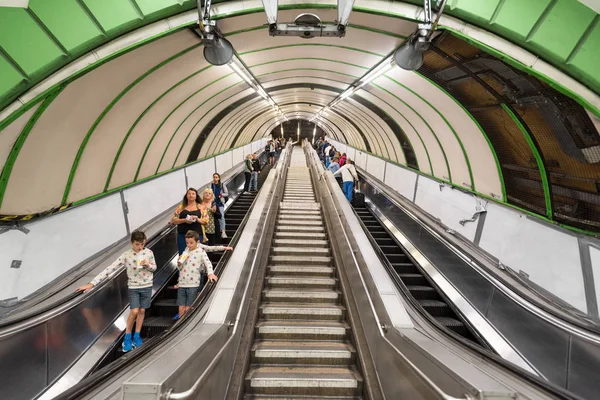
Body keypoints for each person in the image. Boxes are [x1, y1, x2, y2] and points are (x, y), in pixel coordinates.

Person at [77, 230, 156, 352]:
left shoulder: (148, 253)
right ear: (131, 243)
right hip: (134, 287)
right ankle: (127, 337)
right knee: (134, 311)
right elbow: (110, 268)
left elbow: (154, 267)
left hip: (147, 285)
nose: (140, 247)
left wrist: (147, 265)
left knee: (141, 310)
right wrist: (92, 283)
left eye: (142, 244)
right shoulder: (126, 255)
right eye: (137, 244)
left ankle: (137, 336)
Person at [175, 230, 232, 318]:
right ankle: (179, 327)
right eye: (187, 243)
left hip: (193, 282)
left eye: (191, 243)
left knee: (188, 309)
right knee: (181, 309)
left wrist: (210, 273)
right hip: (182, 283)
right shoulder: (186, 251)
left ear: (197, 242)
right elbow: (181, 268)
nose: (189, 245)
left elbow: (208, 261)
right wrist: (179, 263)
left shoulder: (200, 251)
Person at [170, 188, 204, 255]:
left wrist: (197, 219)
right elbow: (173, 220)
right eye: (189, 193)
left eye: (193, 194)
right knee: (183, 254)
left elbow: (206, 221)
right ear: (186, 195)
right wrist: (185, 220)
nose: (191, 195)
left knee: (196, 254)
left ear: (196, 196)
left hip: (197, 235)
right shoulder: (181, 207)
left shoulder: (201, 207)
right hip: (182, 235)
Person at [211, 173, 229, 239]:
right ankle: (217, 232)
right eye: (214, 177)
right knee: (214, 218)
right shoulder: (211, 185)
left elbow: (227, 193)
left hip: (220, 203)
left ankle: (223, 232)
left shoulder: (222, 185)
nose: (215, 178)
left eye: (216, 177)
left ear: (219, 178)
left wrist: (221, 195)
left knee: (221, 217)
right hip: (213, 204)